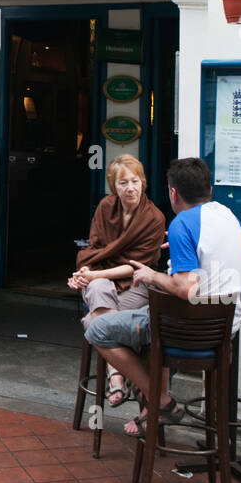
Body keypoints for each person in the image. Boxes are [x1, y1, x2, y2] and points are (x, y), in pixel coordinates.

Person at [84, 156, 241, 437]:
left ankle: (160, 402)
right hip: (225, 331)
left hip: (186, 330)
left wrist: (153, 276)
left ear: (173, 193)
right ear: (210, 189)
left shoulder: (182, 224)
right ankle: (149, 405)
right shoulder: (227, 214)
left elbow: (185, 289)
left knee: (96, 329)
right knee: (144, 326)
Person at [67, 155, 166, 407]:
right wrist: (83, 274)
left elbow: (136, 266)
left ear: (143, 182)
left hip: (136, 282)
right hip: (101, 278)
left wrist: (92, 274)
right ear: (114, 186)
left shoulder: (154, 217)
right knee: (98, 288)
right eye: (123, 183)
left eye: (135, 181)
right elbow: (94, 249)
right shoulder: (105, 207)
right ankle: (120, 375)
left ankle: (116, 375)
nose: (130, 188)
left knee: (94, 321)